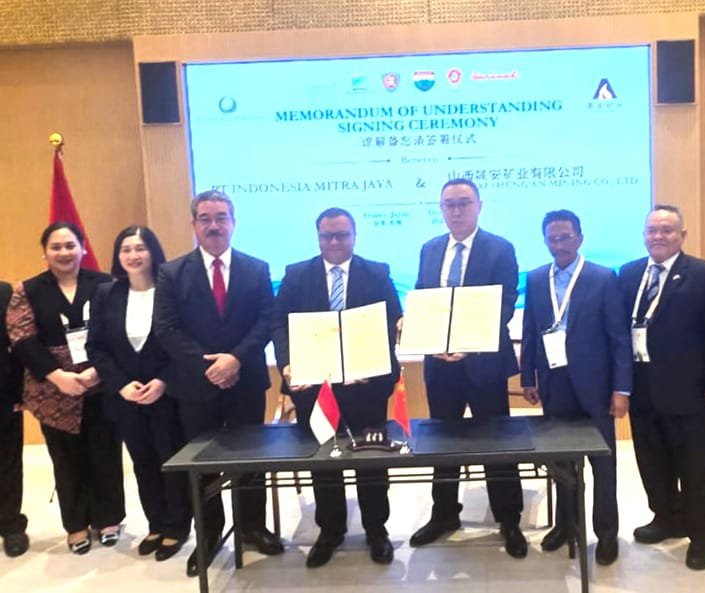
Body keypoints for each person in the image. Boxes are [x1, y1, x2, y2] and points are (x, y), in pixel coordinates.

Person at [153, 190, 283, 577]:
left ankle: (252, 527)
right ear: (194, 224)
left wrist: (235, 359)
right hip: (196, 385)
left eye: (221, 217)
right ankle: (209, 534)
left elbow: (266, 320)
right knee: (203, 464)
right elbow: (166, 328)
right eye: (205, 218)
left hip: (246, 380)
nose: (214, 225)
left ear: (233, 223)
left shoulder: (256, 269)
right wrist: (209, 366)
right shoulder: (172, 273)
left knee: (251, 461)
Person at [272, 207, 401, 568]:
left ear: (354, 236)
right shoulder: (296, 275)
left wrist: (371, 365)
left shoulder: (377, 273)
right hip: (315, 389)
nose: (334, 242)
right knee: (323, 461)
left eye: (342, 235)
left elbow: (392, 321)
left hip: (366, 387)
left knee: (371, 459)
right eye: (327, 235)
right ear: (318, 237)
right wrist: (287, 364)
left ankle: (376, 530)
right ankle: (330, 531)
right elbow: (279, 324)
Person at [408, 178, 526, 558]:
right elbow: (423, 298)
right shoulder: (429, 249)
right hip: (440, 365)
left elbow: (505, 303)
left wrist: (467, 344)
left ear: (479, 206)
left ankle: (509, 519)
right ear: (441, 209)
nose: (456, 211)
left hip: (484, 364)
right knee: (443, 443)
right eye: (449, 204)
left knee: (496, 442)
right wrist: (426, 335)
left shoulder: (499, 248)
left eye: (463, 203)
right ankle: (444, 514)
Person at [618, 205, 705, 570]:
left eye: (667, 230)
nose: (658, 236)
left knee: (697, 470)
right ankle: (667, 518)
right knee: (653, 463)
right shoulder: (629, 273)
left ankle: (703, 536)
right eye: (652, 230)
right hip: (643, 390)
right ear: (643, 235)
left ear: (682, 235)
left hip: (692, 393)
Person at [520, 210, 631, 566]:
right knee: (561, 464)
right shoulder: (536, 278)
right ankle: (566, 526)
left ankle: (607, 534)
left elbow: (619, 338)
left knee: (603, 465)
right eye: (552, 238)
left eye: (566, 237)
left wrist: (621, 389)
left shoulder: (602, 277)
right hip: (554, 385)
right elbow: (530, 330)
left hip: (596, 388)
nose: (559, 244)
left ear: (579, 238)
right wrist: (527, 378)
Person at [6, 222, 123, 555]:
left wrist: (98, 371)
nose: (63, 252)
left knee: (105, 452)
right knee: (66, 458)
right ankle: (76, 524)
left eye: (70, 245)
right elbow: (21, 338)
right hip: (51, 390)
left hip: (100, 381)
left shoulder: (105, 283)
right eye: (55, 247)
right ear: (44, 253)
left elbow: (117, 329)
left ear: (82, 248)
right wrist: (57, 376)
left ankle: (109, 518)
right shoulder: (26, 290)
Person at [86, 226, 190, 561]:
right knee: (143, 462)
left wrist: (163, 381)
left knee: (170, 460)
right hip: (126, 398)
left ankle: (177, 526)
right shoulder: (106, 294)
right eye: (126, 249)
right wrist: (120, 385)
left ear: (153, 251)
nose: (133, 255)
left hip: (167, 395)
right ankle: (156, 523)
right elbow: (96, 347)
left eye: (140, 248)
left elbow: (182, 342)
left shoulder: (171, 290)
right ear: (118, 256)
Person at [0, 280, 28, 557]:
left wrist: (20, 391)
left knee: (7, 462)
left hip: (3, 393)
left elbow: (17, 345)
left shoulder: (3, 292)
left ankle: (10, 525)